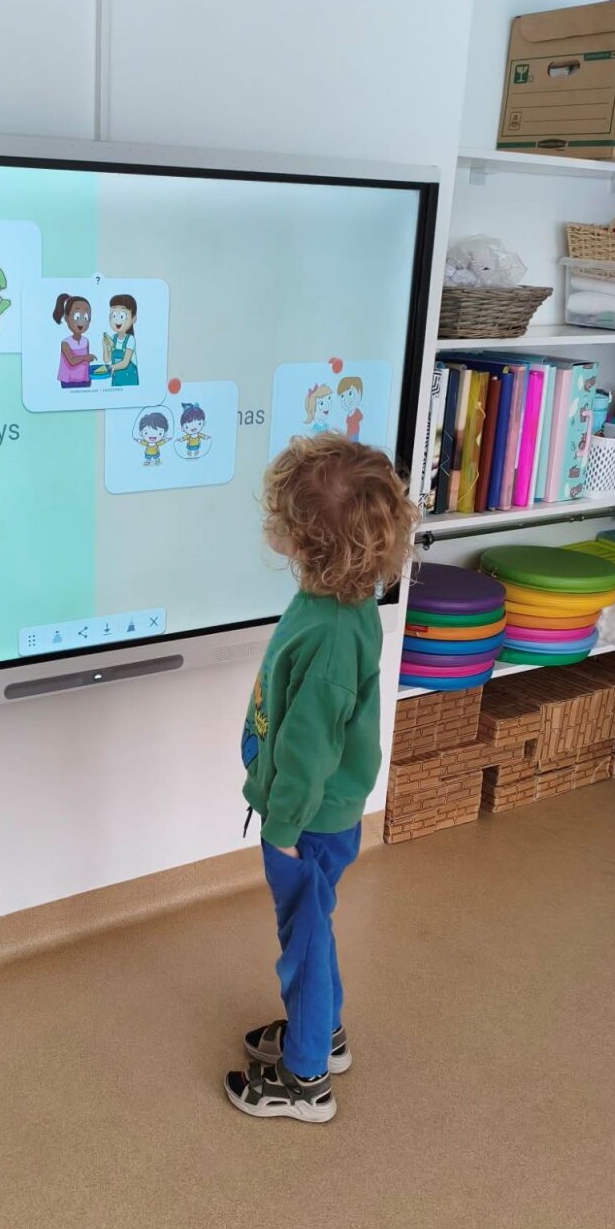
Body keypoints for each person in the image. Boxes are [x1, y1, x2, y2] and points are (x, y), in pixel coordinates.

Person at [225, 433, 419, 1123]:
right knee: (315, 931)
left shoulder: (332, 634)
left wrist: (281, 829)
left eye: (279, 516)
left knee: (303, 946)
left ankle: (306, 1079)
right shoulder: (336, 602)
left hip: (305, 824)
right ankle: (324, 1035)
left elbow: (307, 751)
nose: (270, 525)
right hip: (314, 816)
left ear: (304, 542)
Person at [54, 294, 96, 389]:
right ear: (66, 317)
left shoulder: (86, 341)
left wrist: (88, 360)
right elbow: (72, 361)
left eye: (86, 318)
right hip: (69, 380)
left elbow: (86, 361)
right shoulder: (65, 343)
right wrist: (86, 357)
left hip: (84, 378)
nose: (81, 322)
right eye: (77, 317)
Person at [102, 294, 139, 387]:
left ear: (133, 319)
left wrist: (113, 367)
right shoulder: (113, 338)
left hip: (129, 381)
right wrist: (105, 347)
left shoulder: (130, 340)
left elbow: (125, 363)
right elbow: (107, 360)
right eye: (114, 315)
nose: (117, 320)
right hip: (116, 381)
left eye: (122, 316)